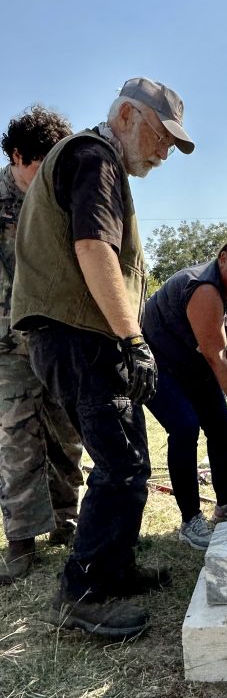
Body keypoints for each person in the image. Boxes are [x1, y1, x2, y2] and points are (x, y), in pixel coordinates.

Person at [12, 77, 195, 639]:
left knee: (130, 458)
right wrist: (134, 339)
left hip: (84, 336)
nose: (165, 151)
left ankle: (113, 569)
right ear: (126, 115)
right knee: (120, 465)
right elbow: (93, 249)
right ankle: (82, 594)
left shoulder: (94, 159)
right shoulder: (95, 157)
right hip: (79, 336)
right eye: (162, 135)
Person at [0, 106, 83, 584]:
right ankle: (21, 539)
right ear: (17, 155)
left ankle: (65, 518)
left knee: (64, 431)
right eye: (40, 162)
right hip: (6, 346)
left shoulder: (58, 199)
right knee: (17, 440)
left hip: (53, 337)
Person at [143, 235, 227, 550]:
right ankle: (190, 518)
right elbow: (216, 356)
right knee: (184, 427)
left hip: (197, 366)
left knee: (222, 426)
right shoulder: (203, 288)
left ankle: (226, 504)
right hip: (160, 364)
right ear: (223, 256)